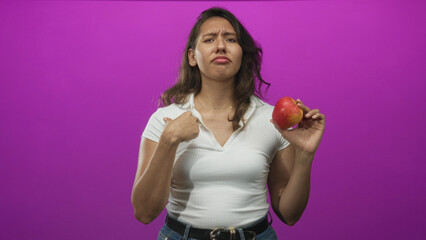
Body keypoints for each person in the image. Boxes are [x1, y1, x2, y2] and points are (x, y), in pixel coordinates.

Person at [131, 7, 325, 240]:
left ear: (242, 53)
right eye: (210, 39)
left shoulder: (271, 119)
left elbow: (289, 214)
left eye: (230, 39)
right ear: (192, 56)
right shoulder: (165, 121)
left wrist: (304, 155)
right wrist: (169, 140)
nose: (221, 46)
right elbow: (143, 212)